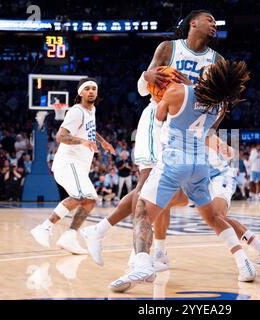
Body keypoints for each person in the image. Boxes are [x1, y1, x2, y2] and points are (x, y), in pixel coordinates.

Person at [108, 60, 260, 292]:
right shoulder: (219, 105)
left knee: (143, 213)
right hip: (200, 165)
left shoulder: (176, 91)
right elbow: (203, 119)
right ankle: (243, 262)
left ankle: (142, 265)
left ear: (206, 78)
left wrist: (162, 91)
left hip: (174, 161)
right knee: (214, 217)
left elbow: (158, 118)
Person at [80, 10, 226, 266]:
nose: (213, 24)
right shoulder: (169, 48)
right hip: (157, 117)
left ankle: (135, 242)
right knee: (148, 184)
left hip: (185, 129)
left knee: (166, 193)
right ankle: (138, 254)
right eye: (209, 19)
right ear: (193, 22)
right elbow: (143, 85)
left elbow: (218, 102)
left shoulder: (217, 60)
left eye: (215, 21)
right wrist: (146, 76)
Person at [30, 78, 115, 254]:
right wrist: (82, 141)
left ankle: (69, 236)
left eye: (94, 88)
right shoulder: (77, 111)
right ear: (80, 93)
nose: (91, 91)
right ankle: (44, 227)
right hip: (68, 163)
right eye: (87, 89)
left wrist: (103, 141)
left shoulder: (91, 111)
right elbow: (60, 137)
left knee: (90, 200)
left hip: (79, 167)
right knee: (81, 196)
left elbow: (91, 129)